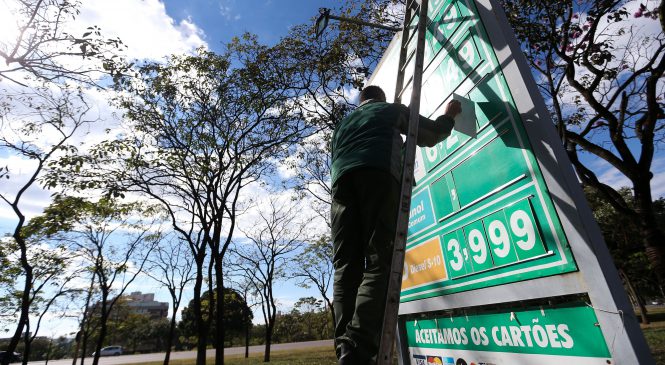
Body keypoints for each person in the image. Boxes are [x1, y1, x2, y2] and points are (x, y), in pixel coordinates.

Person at [331, 85, 461, 365]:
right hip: (378, 174)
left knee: (345, 264)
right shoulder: (389, 110)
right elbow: (430, 134)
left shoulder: (342, 126)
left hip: (341, 183)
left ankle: (343, 346)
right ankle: (357, 346)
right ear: (381, 99)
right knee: (380, 259)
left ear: (361, 102)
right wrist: (449, 116)